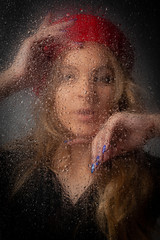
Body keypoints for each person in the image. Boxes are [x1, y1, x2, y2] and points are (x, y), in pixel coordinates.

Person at [0, 12, 160, 240]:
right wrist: (13, 77)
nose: (86, 93)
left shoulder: (147, 178)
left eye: (104, 78)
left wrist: (153, 124)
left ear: (119, 92)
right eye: (68, 77)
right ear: (51, 92)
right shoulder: (14, 168)